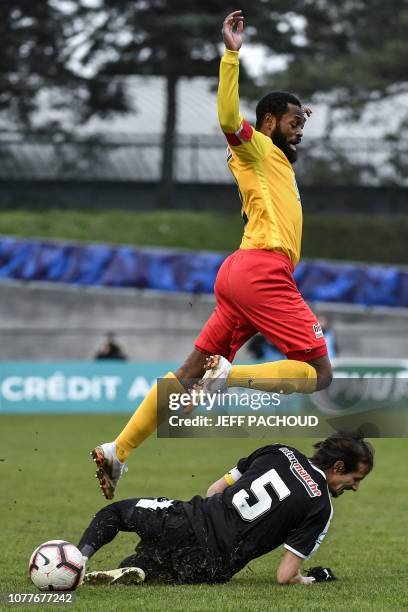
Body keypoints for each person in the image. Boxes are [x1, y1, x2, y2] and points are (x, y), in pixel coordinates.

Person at [90, 9, 333, 500]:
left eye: (303, 121)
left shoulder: (274, 162)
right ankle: (230, 375)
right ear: (270, 121)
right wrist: (231, 55)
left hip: (240, 273)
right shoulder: (260, 148)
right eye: (293, 120)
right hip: (262, 270)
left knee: (187, 374)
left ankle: (118, 449)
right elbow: (226, 118)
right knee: (319, 374)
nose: (300, 128)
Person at [81, 432, 373, 586]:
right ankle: (143, 569)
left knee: (115, 514)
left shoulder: (279, 450)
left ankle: (77, 562)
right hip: (212, 567)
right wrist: (310, 578)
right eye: (355, 479)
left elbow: (214, 490)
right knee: (149, 566)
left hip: (187, 522)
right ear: (338, 466)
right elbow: (286, 575)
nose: (356, 487)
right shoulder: (321, 505)